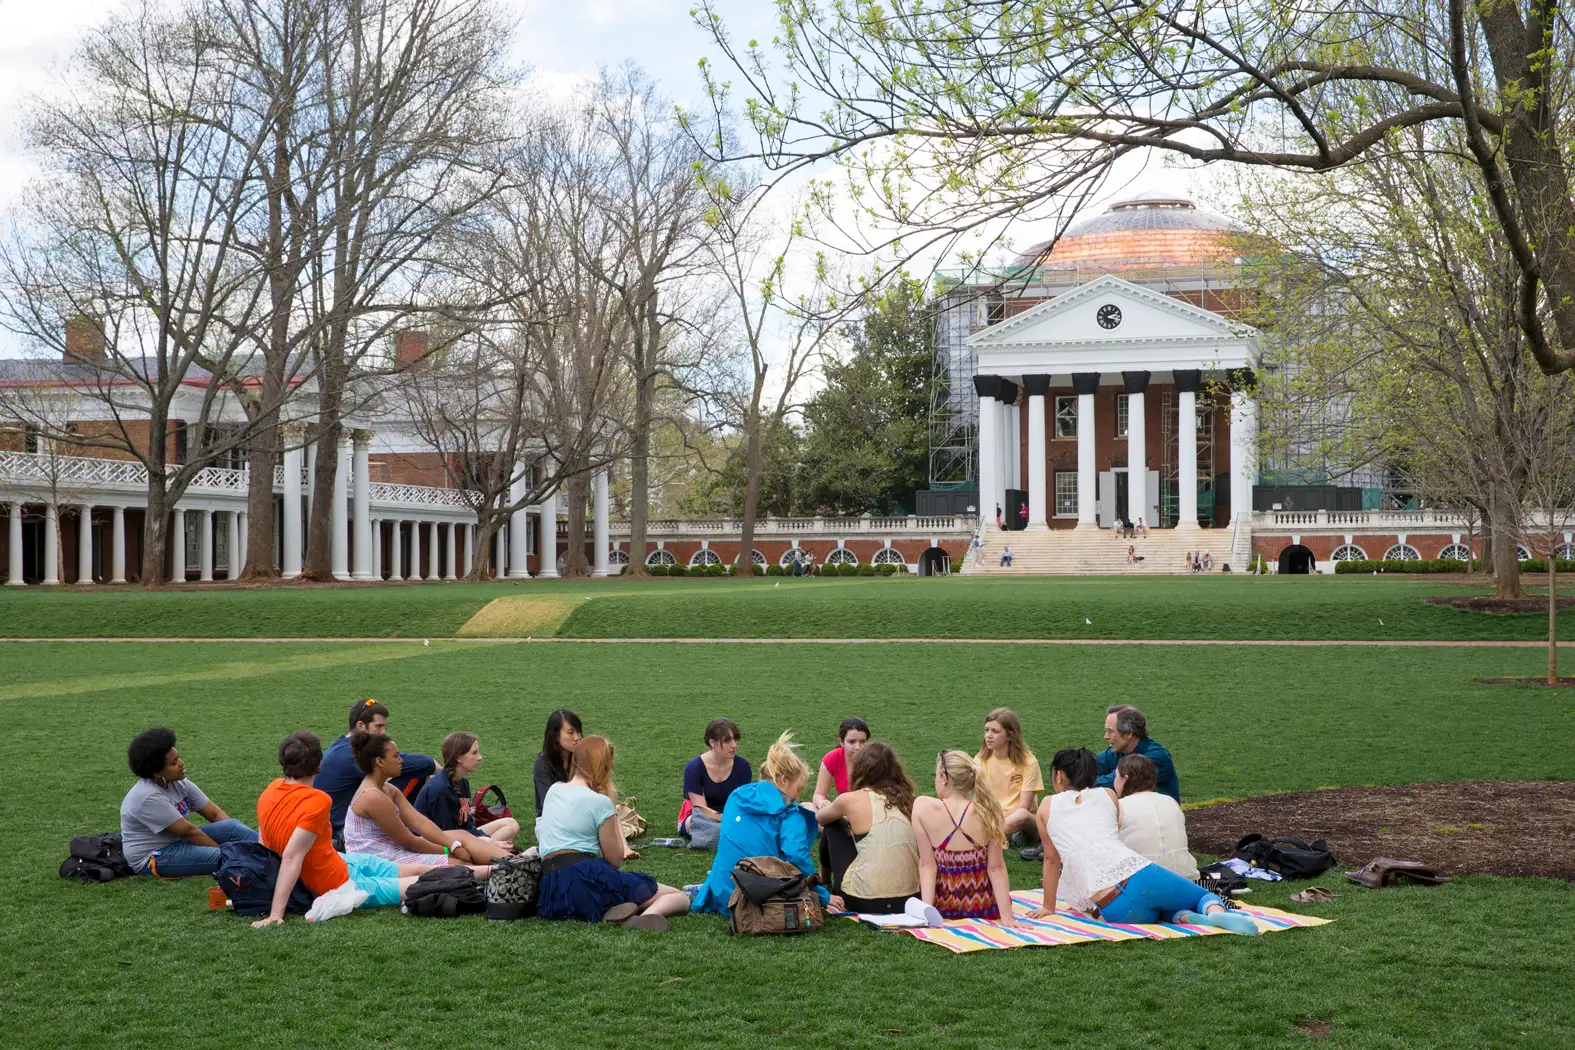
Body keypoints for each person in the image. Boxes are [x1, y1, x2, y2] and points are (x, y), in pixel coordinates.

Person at [1028, 748, 1256, 934]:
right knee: (1203, 895)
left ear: (1058, 775)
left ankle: (1193, 919)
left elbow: (1051, 861)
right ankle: (1217, 914)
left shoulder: (1046, 807)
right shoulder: (1107, 795)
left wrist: (1048, 907)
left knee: (1158, 911)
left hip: (1115, 909)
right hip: (1139, 877)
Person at [253, 731, 435, 926]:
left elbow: (265, 850)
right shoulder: (317, 800)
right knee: (420, 882)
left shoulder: (270, 790)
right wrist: (275, 915)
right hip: (339, 885)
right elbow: (291, 857)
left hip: (342, 861)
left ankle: (469, 871)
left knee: (421, 870)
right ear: (319, 763)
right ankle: (469, 874)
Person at [535, 735, 690, 930]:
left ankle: (618, 911)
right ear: (603, 766)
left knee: (612, 886)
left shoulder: (554, 790)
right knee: (679, 897)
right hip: (586, 879)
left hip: (551, 889)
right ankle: (642, 917)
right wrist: (611, 805)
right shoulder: (599, 802)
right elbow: (615, 859)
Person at [691, 731, 837, 915]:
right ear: (783, 780)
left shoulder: (737, 797)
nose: (798, 797)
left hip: (723, 895)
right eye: (798, 789)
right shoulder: (790, 814)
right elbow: (796, 856)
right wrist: (823, 896)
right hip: (759, 901)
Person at [343, 731, 494, 872]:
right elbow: (408, 841)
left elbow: (420, 822)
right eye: (396, 756)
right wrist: (451, 850)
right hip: (376, 863)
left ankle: (513, 861)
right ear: (380, 762)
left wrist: (452, 845)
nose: (401, 760)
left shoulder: (387, 788)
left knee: (462, 836)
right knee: (462, 866)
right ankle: (506, 869)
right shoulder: (373, 797)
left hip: (391, 851)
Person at [120, 727, 258, 878]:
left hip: (179, 841)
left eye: (178, 757)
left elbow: (215, 813)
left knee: (232, 827)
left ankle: (274, 850)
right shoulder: (147, 796)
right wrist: (228, 853)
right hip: (155, 856)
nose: (181, 763)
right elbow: (189, 832)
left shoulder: (178, 782)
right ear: (157, 772)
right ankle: (267, 863)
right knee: (224, 857)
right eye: (173, 763)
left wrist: (232, 840)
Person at [913, 750, 1018, 925]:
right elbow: (996, 868)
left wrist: (927, 914)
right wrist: (1007, 918)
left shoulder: (922, 808)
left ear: (944, 778)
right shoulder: (989, 811)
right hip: (985, 906)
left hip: (943, 906)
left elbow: (927, 866)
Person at [815, 742, 921, 914]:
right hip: (911, 899)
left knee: (834, 824)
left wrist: (844, 815)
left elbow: (820, 818)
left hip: (864, 900)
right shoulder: (910, 799)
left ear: (860, 769)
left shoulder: (850, 799)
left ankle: (825, 882)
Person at [319, 698, 437, 848]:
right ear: (360, 725)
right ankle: (414, 832)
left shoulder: (341, 748)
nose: (383, 733)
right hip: (344, 835)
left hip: (337, 827)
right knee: (417, 774)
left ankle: (416, 831)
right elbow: (426, 764)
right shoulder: (352, 755)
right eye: (379, 727)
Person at [413, 732, 521, 849]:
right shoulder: (440, 790)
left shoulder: (462, 783)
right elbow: (447, 835)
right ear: (458, 757)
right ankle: (490, 850)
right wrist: (486, 841)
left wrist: (481, 839)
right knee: (489, 842)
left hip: (459, 835)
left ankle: (489, 850)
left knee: (511, 824)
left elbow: (466, 822)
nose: (480, 757)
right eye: (474, 753)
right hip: (436, 844)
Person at [1114, 754, 1198, 880]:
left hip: (1142, 882)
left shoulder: (1119, 807)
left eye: (1116, 776)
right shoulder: (1171, 802)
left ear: (1125, 778)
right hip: (1185, 879)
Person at [974, 708, 1043, 841]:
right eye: (986, 730)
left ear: (1010, 736)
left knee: (1021, 815)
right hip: (992, 816)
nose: (988, 735)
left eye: (995, 731)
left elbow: (1024, 806)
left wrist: (996, 818)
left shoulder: (1029, 762)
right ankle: (1004, 836)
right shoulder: (979, 760)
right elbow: (978, 799)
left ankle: (982, 842)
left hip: (1022, 818)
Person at [680, 717, 752, 838]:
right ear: (712, 742)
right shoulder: (694, 768)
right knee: (696, 823)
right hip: (704, 819)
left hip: (734, 817)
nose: (734, 745)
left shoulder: (743, 767)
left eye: (735, 739)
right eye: (727, 741)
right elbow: (701, 811)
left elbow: (742, 804)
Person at [1094, 705, 1180, 801]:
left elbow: (1122, 782)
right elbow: (1084, 770)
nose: (1106, 736)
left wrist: (1083, 782)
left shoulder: (1156, 757)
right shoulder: (1116, 753)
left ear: (1128, 733)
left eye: (1110, 731)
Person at [533, 709, 583, 818]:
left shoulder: (581, 758)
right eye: (570, 733)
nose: (577, 737)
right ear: (555, 736)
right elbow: (548, 804)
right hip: (550, 819)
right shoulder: (542, 764)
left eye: (578, 731)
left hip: (579, 813)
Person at [812, 716, 870, 809]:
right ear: (842, 742)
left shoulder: (875, 760)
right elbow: (818, 794)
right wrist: (822, 802)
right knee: (809, 807)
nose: (858, 747)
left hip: (870, 811)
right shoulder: (832, 758)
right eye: (852, 742)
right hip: (846, 811)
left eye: (862, 741)